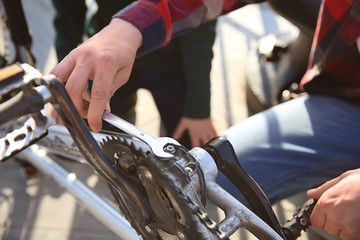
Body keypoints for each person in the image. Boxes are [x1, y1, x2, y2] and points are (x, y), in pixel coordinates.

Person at [50, 0, 360, 239]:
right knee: (192, 185)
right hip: (348, 102)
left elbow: (199, 44)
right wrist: (130, 26)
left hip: (177, 78)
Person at [51, 0, 218, 149]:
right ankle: (124, 115)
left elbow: (200, 17)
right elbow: (68, 17)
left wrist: (198, 107)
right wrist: (68, 82)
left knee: (187, 145)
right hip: (107, 61)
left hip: (175, 62)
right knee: (107, 137)